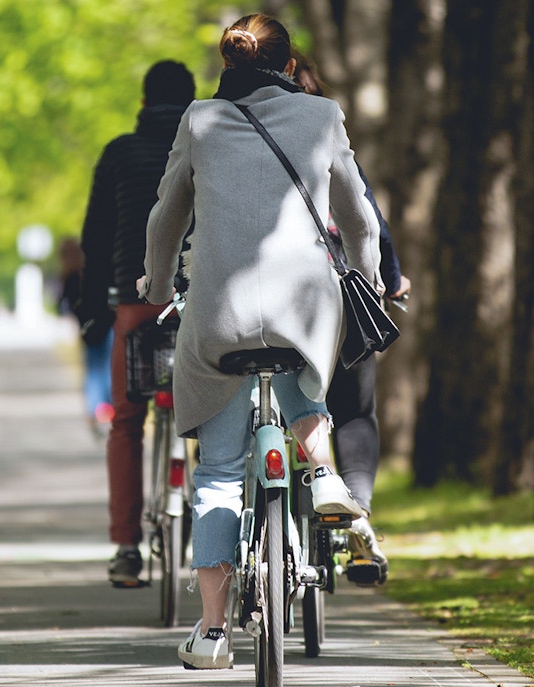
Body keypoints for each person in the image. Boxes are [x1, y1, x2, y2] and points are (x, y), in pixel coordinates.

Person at [137, 14, 380, 669]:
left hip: (219, 311)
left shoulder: (201, 120)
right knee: (306, 372)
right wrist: (373, 281)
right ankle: (324, 473)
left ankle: (213, 632)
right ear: (288, 58)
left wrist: (157, 284)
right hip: (305, 308)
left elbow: (167, 216)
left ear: (228, 62)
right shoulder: (323, 115)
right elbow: (359, 218)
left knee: (216, 473)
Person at [294, 54, 413, 587]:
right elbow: (367, 216)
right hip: (339, 291)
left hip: (267, 306)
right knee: (356, 411)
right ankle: (358, 514)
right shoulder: (323, 128)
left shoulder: (232, 132)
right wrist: (386, 277)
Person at [76, 60, 196, 587]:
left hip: (136, 301)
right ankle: (219, 533)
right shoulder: (210, 144)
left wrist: (92, 311)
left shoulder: (119, 153)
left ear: (143, 103)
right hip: (200, 303)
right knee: (219, 425)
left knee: (126, 423)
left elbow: (95, 237)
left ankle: (126, 547)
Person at [57, 237, 114, 438]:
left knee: (93, 370)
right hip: (106, 324)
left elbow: (62, 306)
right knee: (105, 369)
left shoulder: (69, 277)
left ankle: (95, 411)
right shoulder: (93, 271)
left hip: (87, 329)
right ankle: (106, 409)